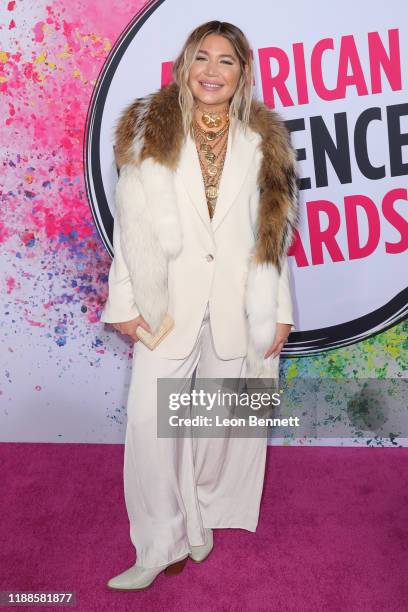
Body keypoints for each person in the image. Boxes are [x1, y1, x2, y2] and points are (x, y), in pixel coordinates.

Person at [100, 20, 299, 591]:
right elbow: (129, 221)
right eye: (201, 58)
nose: (212, 71)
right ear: (185, 66)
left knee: (213, 426)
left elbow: (272, 235)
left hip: (238, 305)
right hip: (166, 303)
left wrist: (278, 308)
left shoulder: (266, 143)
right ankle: (157, 544)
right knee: (148, 423)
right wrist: (123, 301)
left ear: (243, 74)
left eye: (226, 61)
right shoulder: (149, 130)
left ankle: (198, 515)